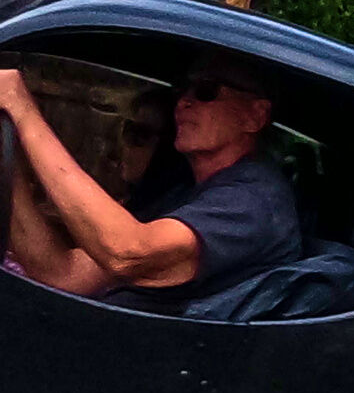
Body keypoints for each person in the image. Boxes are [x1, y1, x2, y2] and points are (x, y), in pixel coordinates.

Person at [1, 49, 300, 310]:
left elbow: (127, 252)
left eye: (206, 91)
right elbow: (63, 275)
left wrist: (22, 108)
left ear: (255, 117)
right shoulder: (186, 196)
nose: (184, 102)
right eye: (183, 89)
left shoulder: (253, 201)